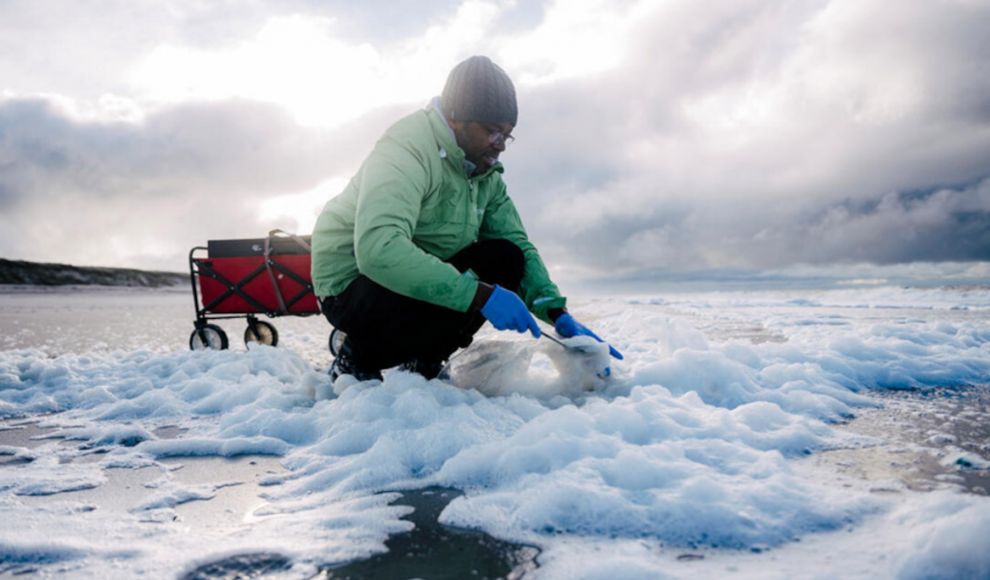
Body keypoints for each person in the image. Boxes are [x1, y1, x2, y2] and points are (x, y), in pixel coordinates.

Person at [311, 55, 622, 382]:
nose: (501, 145)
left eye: (507, 134)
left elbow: (516, 242)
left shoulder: (485, 174)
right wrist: (483, 296)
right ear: (457, 118)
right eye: (492, 131)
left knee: (505, 258)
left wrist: (557, 314)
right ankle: (357, 358)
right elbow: (378, 249)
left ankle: (423, 362)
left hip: (414, 275)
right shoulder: (406, 149)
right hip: (351, 282)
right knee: (468, 292)